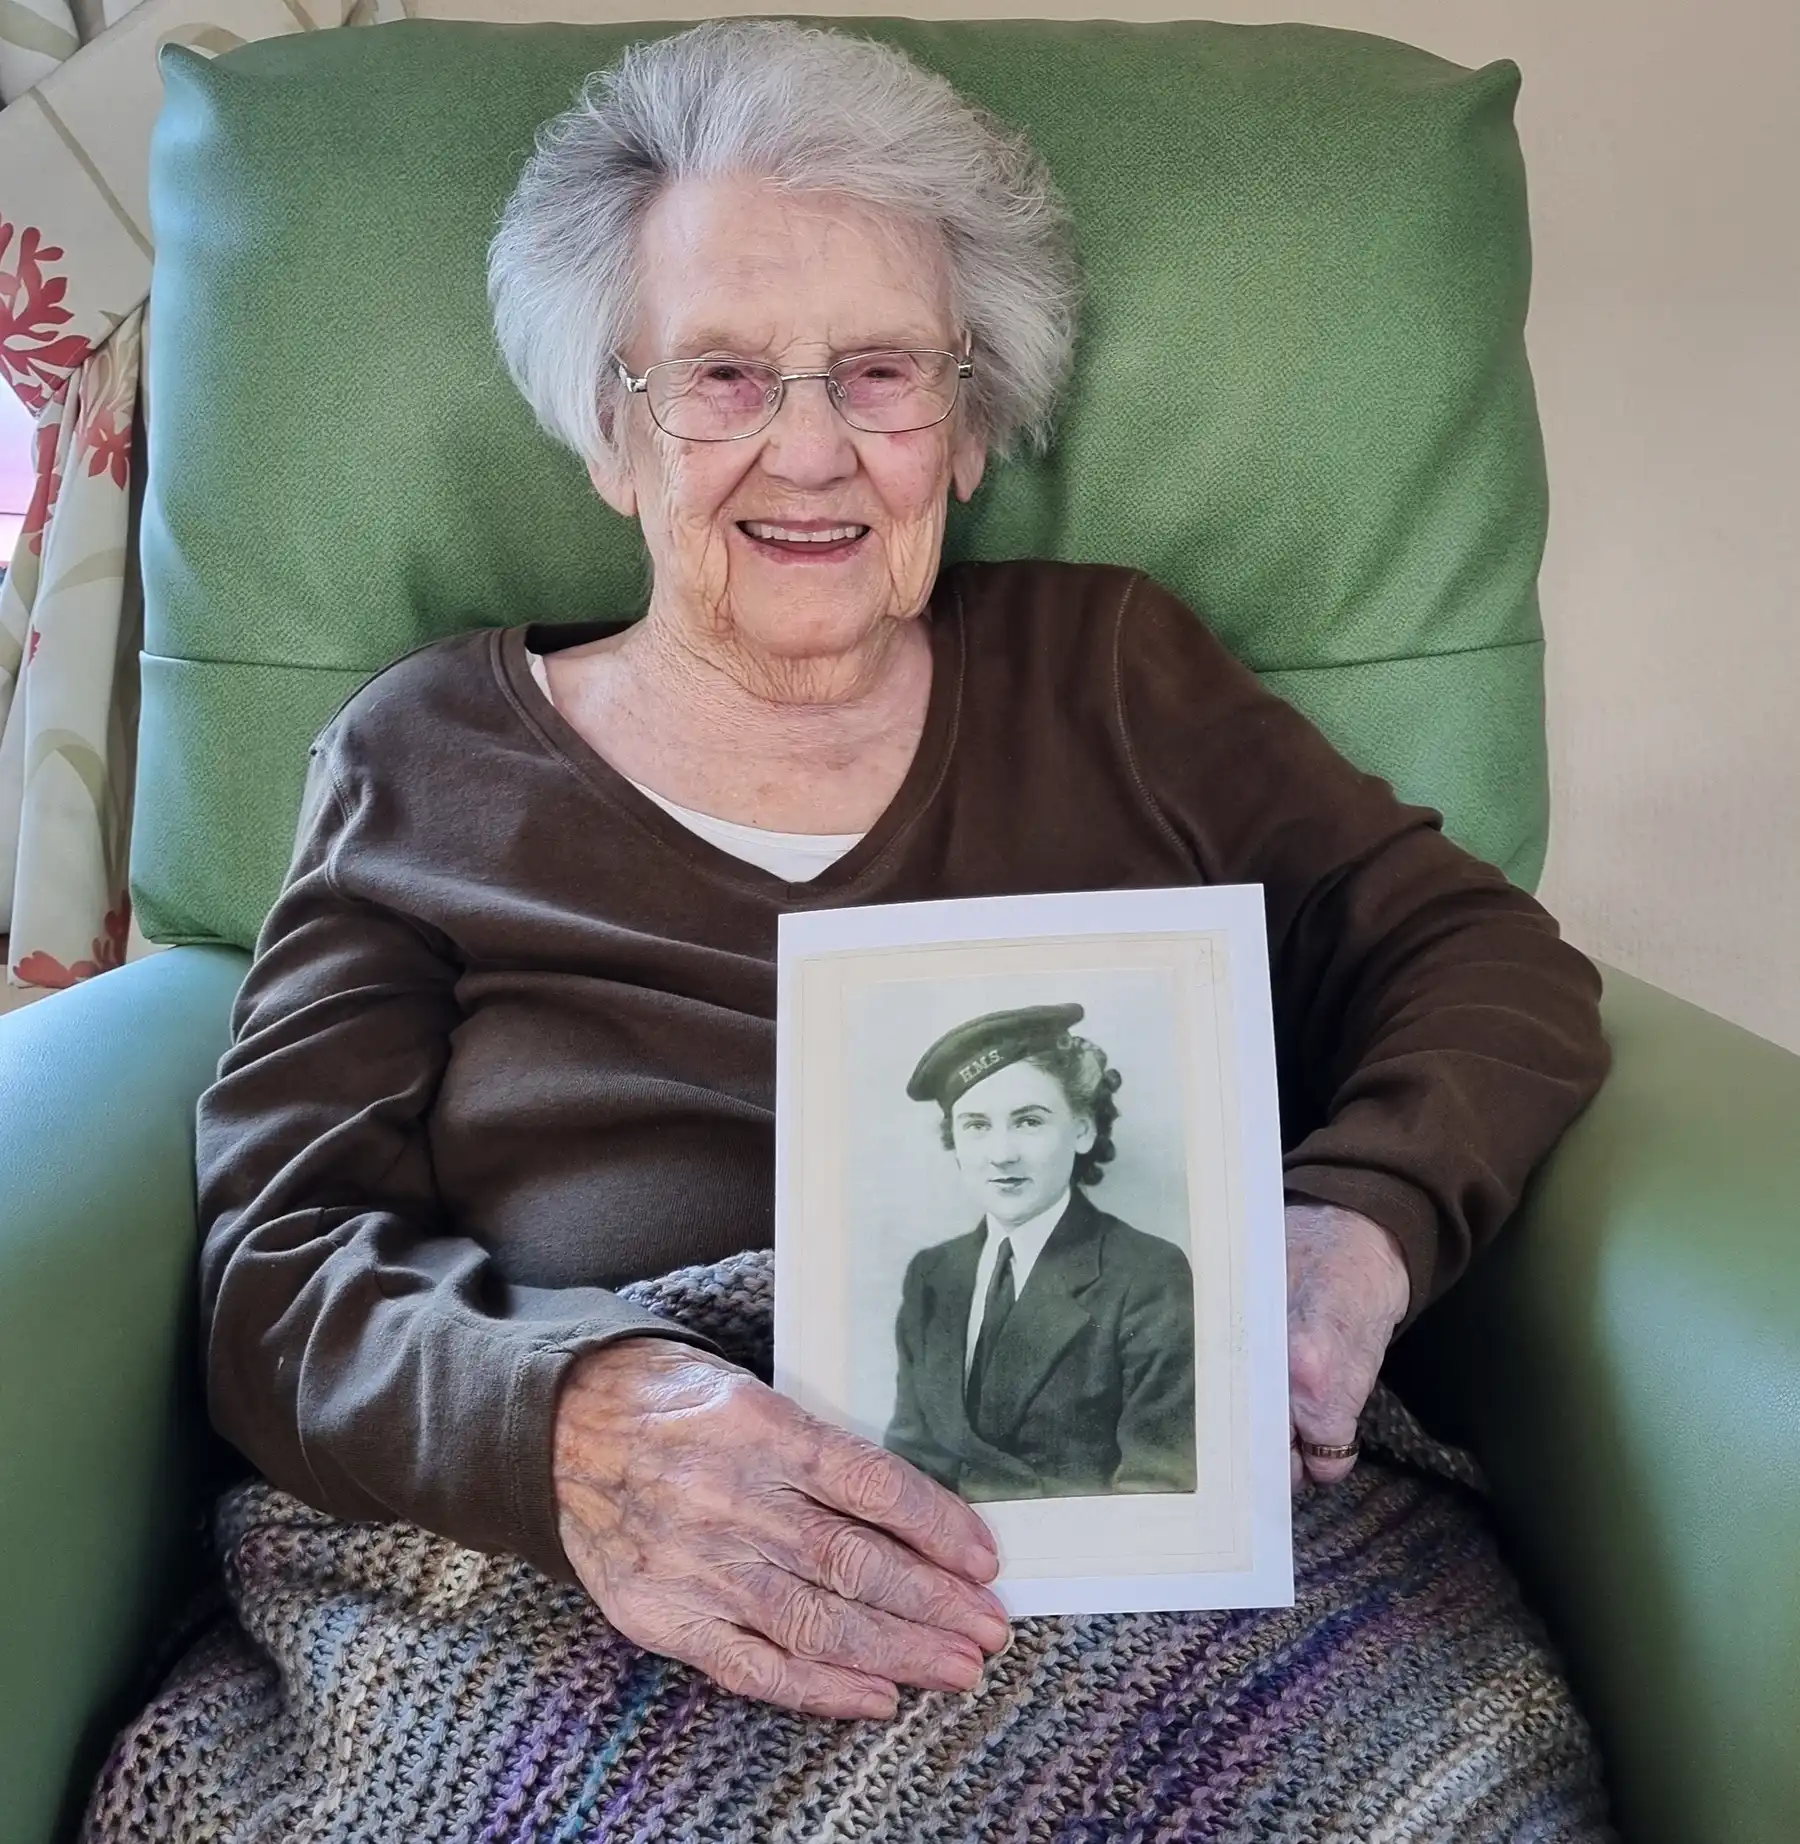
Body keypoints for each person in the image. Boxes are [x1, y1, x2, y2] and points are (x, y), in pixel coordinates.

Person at [196, 19, 1608, 1740]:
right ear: (608, 431)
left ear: (966, 419)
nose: (809, 449)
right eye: (721, 375)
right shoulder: (428, 756)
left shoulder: (1113, 676)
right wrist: (577, 1421)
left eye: (880, 372)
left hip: (1130, 1560)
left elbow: (1481, 960)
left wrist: (1357, 1221)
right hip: (592, 1572)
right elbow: (280, 1259)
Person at [885, 1004, 1197, 1500]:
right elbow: (910, 1462)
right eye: (976, 1125)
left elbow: (1159, 1485)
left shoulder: (1147, 1274)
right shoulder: (932, 1274)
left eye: (1028, 1121)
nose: (1001, 1153)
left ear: (1082, 1129)